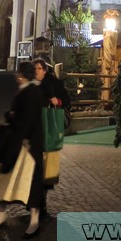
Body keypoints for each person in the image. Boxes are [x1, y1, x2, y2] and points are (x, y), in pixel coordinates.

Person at [0, 61, 44, 239]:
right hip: (21, 144)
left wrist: (11, 116)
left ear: (22, 75)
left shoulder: (31, 92)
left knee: (29, 185)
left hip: (25, 146)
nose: (16, 76)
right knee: (6, 182)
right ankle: (2, 218)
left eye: (18, 73)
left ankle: (34, 222)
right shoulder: (29, 90)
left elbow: (26, 120)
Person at [33, 57, 69, 218]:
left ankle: (43, 202)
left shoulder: (54, 83)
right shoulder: (31, 84)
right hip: (35, 130)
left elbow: (66, 101)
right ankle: (36, 202)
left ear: (45, 70)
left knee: (47, 168)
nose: (36, 72)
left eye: (39, 69)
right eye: (34, 69)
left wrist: (57, 100)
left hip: (50, 130)